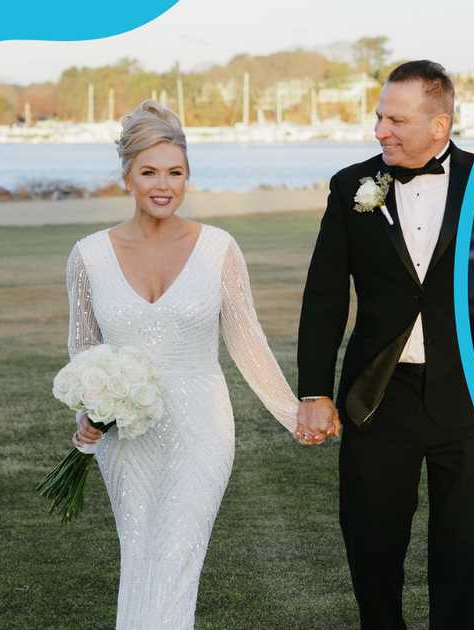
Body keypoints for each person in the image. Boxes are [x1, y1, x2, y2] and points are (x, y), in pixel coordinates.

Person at [69, 100, 324, 629]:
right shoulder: (88, 255)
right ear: (127, 177)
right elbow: (84, 349)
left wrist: (291, 411)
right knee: (140, 558)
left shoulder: (218, 248)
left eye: (176, 172)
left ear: (188, 176)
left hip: (202, 427)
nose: (164, 185)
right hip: (125, 439)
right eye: (149, 172)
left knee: (178, 558)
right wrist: (89, 414)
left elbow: (247, 339)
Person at [295, 60, 474, 630]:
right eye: (380, 115)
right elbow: (325, 297)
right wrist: (315, 390)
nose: (380, 129)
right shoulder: (349, 187)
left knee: (463, 548)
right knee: (372, 542)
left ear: (440, 125)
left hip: (468, 397)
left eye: (396, 119)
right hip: (378, 396)